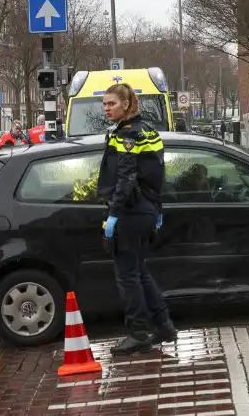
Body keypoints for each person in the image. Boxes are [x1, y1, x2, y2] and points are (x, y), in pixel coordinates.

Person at [97, 82, 177, 355]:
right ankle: (164, 325)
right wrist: (158, 209)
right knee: (139, 271)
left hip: (131, 211)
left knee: (127, 275)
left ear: (126, 105)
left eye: (112, 104)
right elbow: (157, 174)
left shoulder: (127, 134)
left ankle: (139, 332)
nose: (107, 108)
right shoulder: (149, 130)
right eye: (105, 104)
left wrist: (113, 215)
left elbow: (126, 178)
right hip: (146, 209)